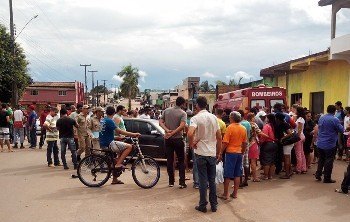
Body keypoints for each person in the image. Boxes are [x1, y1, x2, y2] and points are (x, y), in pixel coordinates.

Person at [188, 96, 222, 213]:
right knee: (212, 180)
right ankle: (214, 205)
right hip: (212, 153)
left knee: (202, 180)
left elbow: (190, 132)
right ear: (206, 105)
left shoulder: (195, 118)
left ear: (197, 105)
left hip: (200, 153)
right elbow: (219, 137)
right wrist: (219, 152)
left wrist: (192, 143)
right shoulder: (214, 118)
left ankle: (203, 205)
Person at [99, 106, 141, 185]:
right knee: (129, 146)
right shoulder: (109, 121)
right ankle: (118, 164)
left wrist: (116, 137)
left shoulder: (103, 120)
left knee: (118, 158)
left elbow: (104, 133)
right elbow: (119, 131)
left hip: (104, 142)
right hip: (109, 143)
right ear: (114, 112)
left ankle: (115, 179)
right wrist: (133, 134)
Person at [218, 111, 248, 200]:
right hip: (239, 153)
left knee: (227, 174)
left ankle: (225, 194)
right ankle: (235, 193)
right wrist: (242, 151)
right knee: (237, 174)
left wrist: (220, 152)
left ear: (232, 118)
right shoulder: (243, 128)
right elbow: (245, 142)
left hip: (230, 153)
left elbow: (225, 142)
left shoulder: (230, 127)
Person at [159, 96, 187, 188]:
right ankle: (182, 182)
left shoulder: (166, 111)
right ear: (182, 104)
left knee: (170, 160)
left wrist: (167, 131)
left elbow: (160, 122)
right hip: (178, 139)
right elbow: (182, 126)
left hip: (168, 139)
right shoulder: (183, 113)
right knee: (181, 161)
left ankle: (171, 181)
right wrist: (173, 132)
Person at [315, 105, 344, 183]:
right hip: (330, 144)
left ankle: (318, 174)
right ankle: (327, 178)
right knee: (329, 161)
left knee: (321, 159)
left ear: (327, 110)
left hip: (320, 143)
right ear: (334, 111)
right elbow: (341, 130)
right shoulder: (335, 119)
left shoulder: (321, 117)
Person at [247, 112, 271, 182]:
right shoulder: (253, 124)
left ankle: (247, 176)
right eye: (254, 117)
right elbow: (259, 132)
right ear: (252, 118)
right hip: (253, 144)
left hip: (246, 144)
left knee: (247, 162)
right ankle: (255, 177)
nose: (255, 119)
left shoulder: (245, 124)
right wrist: (268, 136)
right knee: (253, 161)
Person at [260, 114, 278, 179]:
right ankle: (270, 175)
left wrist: (260, 142)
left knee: (266, 161)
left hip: (268, 144)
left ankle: (266, 176)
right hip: (274, 143)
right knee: (272, 161)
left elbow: (264, 136)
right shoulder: (275, 126)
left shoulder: (267, 126)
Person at [237, 110, 251, 187]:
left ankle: (240, 181)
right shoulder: (248, 123)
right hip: (247, 143)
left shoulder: (240, 124)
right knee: (246, 163)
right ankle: (245, 180)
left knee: (240, 163)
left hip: (240, 145)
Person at [294, 107, 307, 174]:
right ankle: (303, 167)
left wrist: (297, 138)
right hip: (302, 136)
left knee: (298, 153)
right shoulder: (301, 118)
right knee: (301, 153)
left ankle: (299, 168)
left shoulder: (300, 119)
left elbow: (299, 130)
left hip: (299, 136)